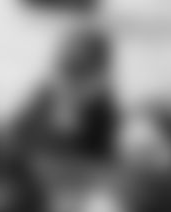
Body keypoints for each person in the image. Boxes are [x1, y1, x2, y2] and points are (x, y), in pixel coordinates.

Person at [14, 23, 120, 166]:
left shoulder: (105, 116)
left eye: (81, 71)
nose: (71, 83)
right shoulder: (38, 103)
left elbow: (106, 167)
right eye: (66, 68)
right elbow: (13, 151)